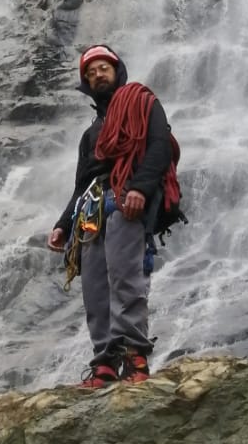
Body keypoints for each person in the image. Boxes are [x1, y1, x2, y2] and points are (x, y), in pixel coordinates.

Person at [48, 43, 173, 387]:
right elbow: (81, 183)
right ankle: (104, 362)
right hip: (90, 209)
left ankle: (134, 357)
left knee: (125, 277)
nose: (97, 74)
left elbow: (160, 146)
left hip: (125, 199)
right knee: (95, 287)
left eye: (103, 67)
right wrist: (63, 225)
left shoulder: (143, 101)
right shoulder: (91, 133)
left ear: (117, 70)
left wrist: (140, 189)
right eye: (90, 72)